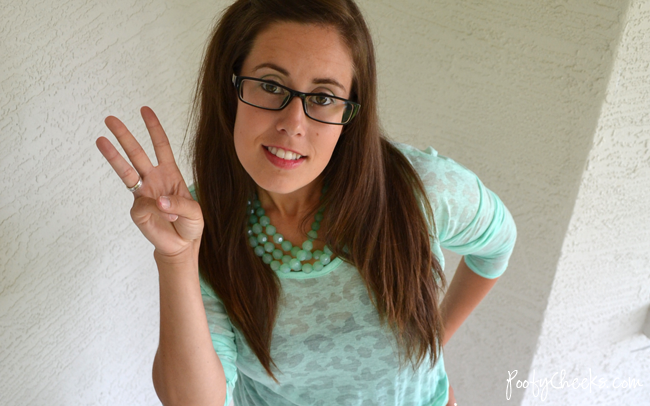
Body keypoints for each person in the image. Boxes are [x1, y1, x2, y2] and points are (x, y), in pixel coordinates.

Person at [96, 0, 517, 405]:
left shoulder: (421, 189)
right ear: (230, 89)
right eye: (270, 85)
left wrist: (436, 340)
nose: (293, 124)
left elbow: (498, 244)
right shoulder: (201, 223)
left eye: (323, 97)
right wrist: (177, 258)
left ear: (350, 115)